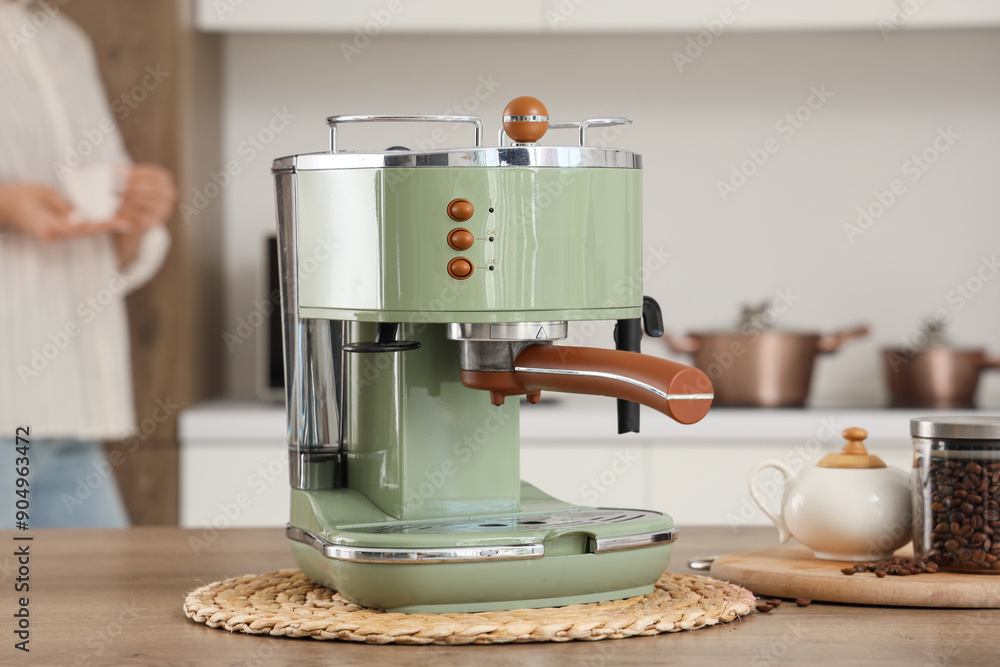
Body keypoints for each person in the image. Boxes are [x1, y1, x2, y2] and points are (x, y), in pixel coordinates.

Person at [0, 1, 176, 528]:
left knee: (96, 607)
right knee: (21, 612)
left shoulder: (62, 40)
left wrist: (138, 215)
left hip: (72, 414)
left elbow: (108, 238)